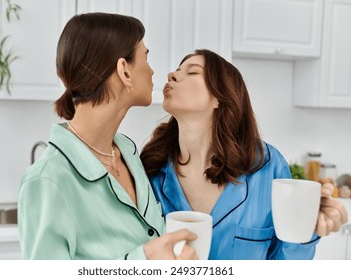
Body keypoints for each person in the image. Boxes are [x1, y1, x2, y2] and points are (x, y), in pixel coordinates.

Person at [18, 12, 198, 260]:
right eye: (146, 58)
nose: (153, 71)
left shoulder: (128, 153)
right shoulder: (47, 181)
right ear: (124, 70)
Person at [140, 49, 348, 260]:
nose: (171, 75)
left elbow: (287, 262)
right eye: (176, 70)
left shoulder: (268, 166)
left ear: (219, 97)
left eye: (192, 72)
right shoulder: (150, 170)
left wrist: (307, 227)